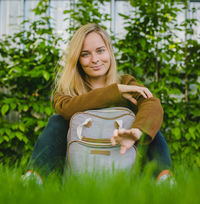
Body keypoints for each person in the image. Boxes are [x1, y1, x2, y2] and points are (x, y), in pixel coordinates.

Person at [24, 23, 172, 184]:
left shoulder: (126, 81)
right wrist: (115, 91)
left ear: (109, 51)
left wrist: (137, 132)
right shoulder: (69, 88)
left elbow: (152, 104)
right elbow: (66, 109)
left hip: (120, 154)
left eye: (100, 51)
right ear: (77, 59)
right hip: (79, 164)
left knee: (149, 124)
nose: (95, 60)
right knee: (57, 121)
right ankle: (33, 179)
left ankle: (164, 179)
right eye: (85, 54)